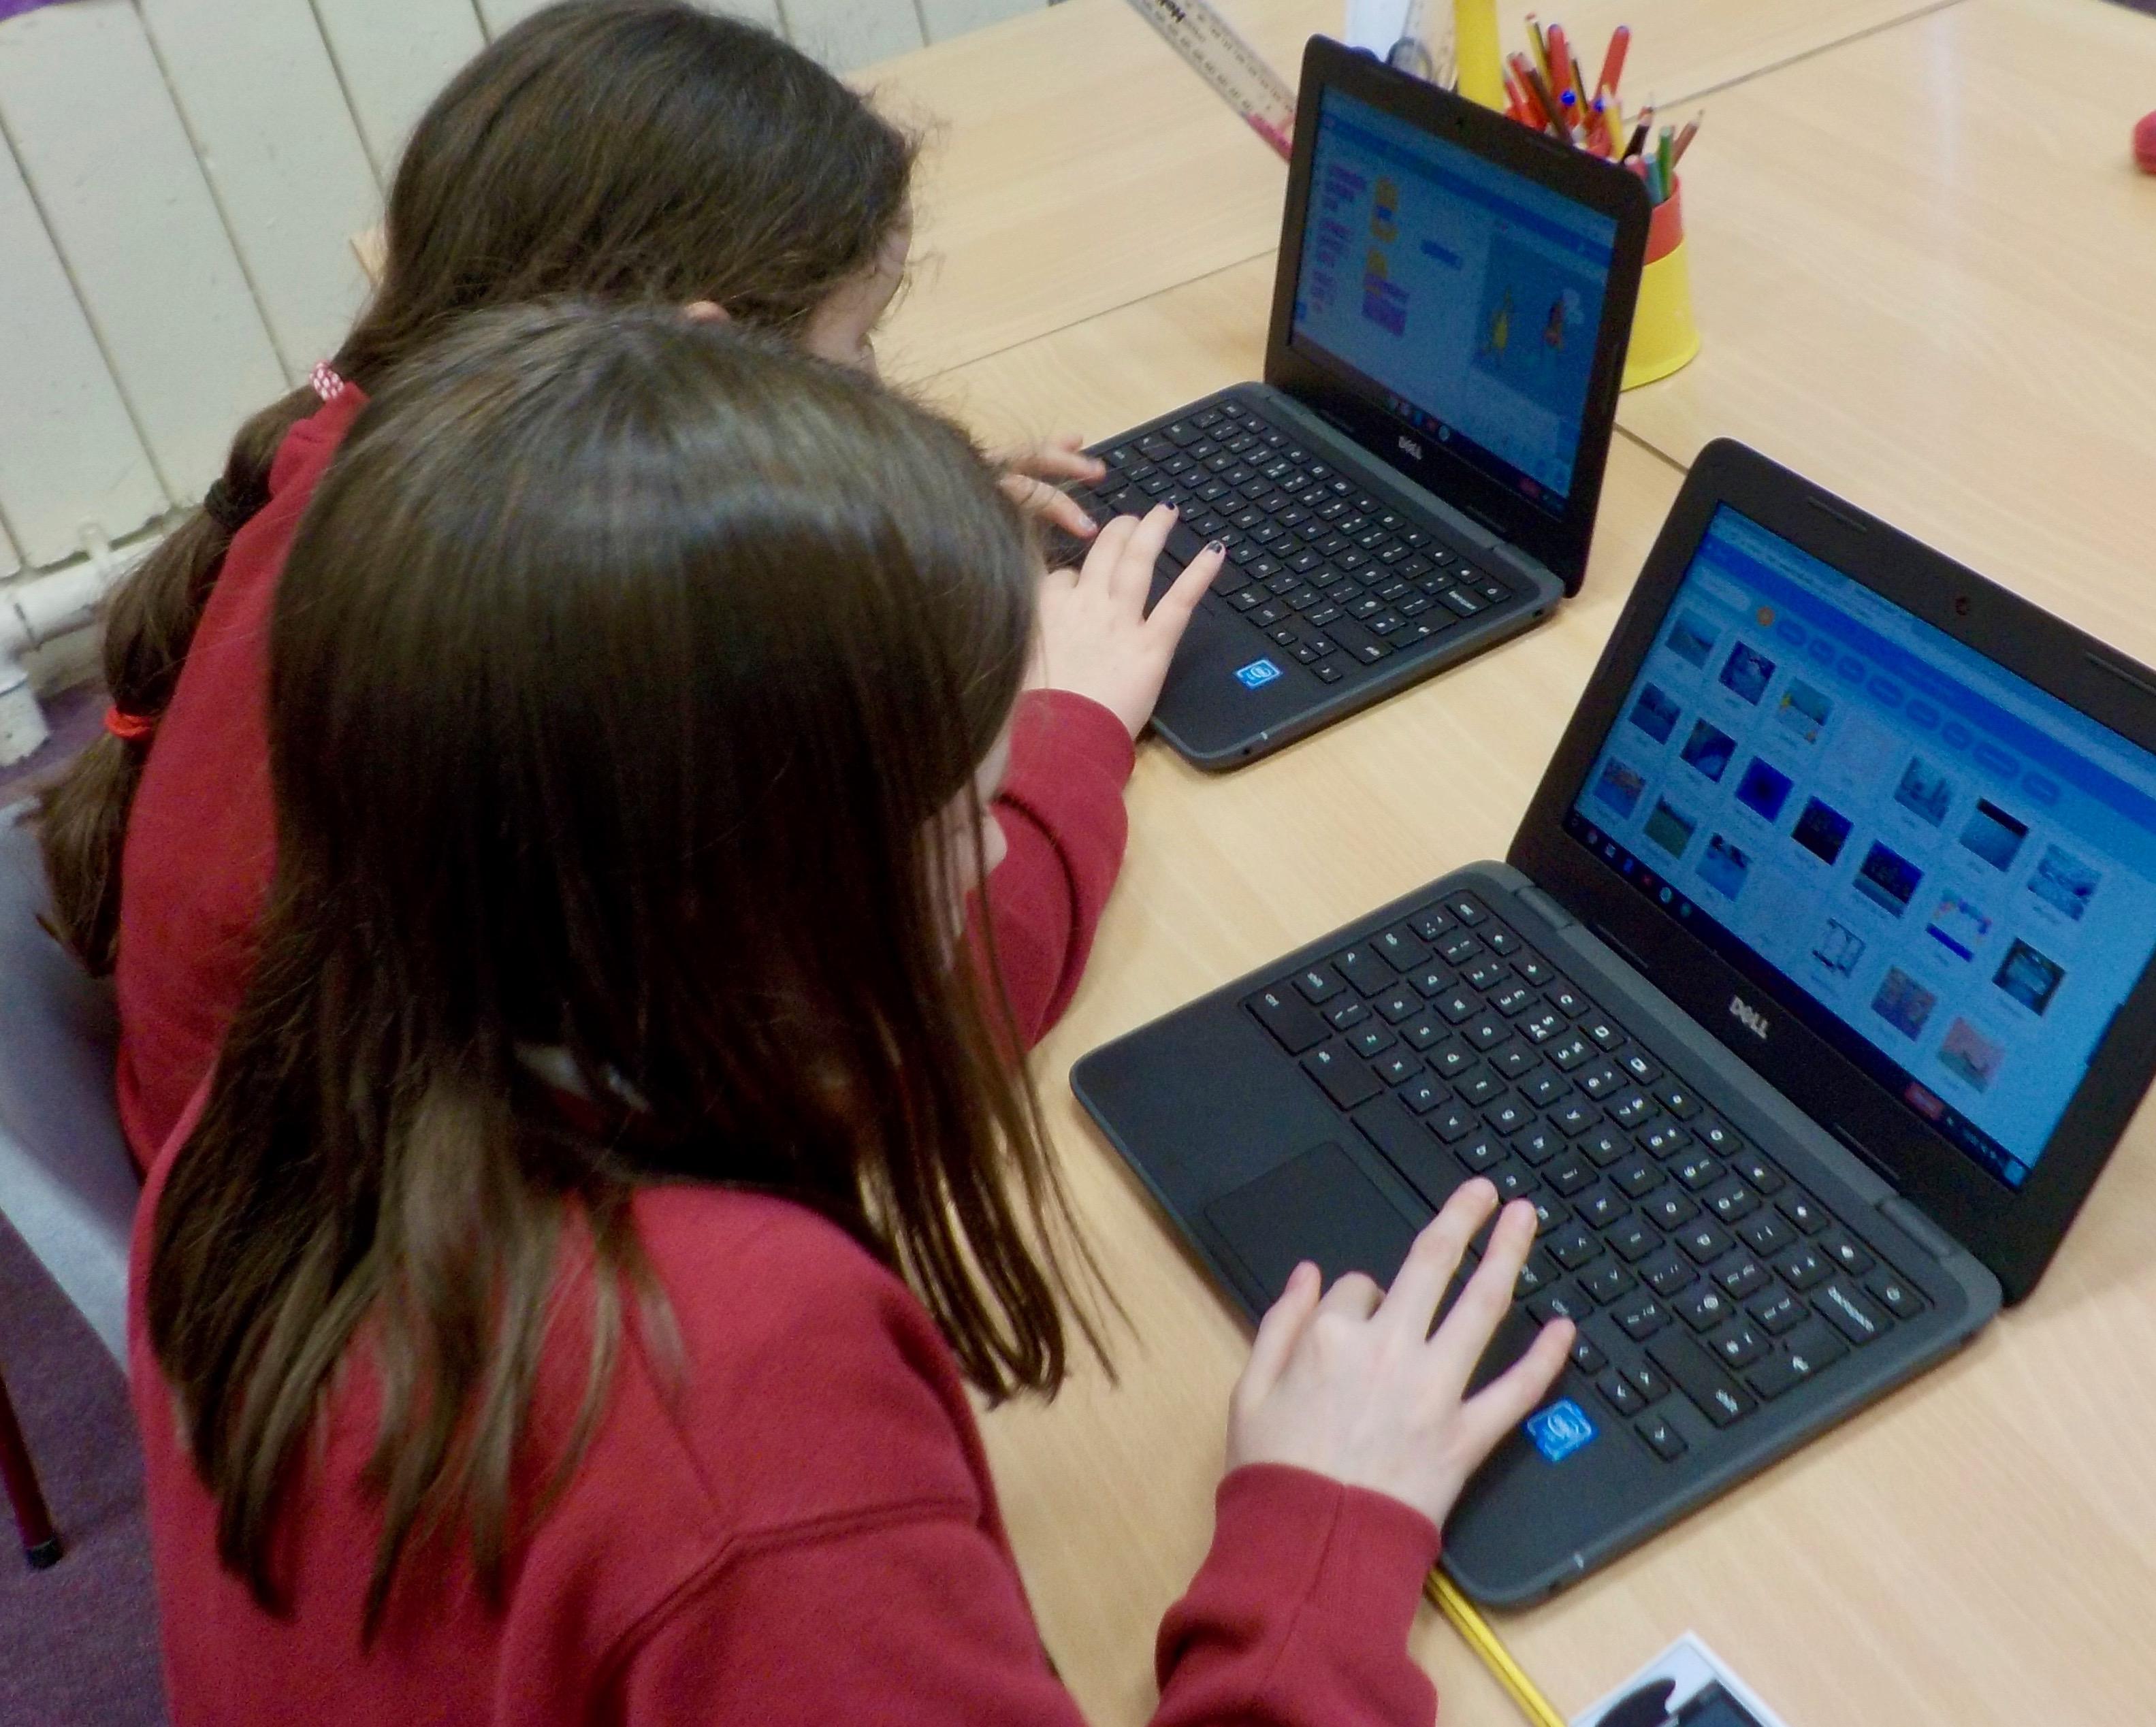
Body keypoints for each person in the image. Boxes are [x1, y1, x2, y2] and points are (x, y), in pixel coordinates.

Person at [133, 301, 1575, 1725]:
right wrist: (1323, 1528)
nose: (995, 849)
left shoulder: (307, 1069)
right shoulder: (738, 1406)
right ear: (753, 891)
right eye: (958, 810)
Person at [37, 0, 1146, 1174]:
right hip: (436, 1215)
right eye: (857, 343)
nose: (871, 379)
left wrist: (877, 509)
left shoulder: (381, 481)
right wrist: (1075, 731)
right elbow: (870, 1052)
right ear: (702, 355)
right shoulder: (558, 683)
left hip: (257, 1177)